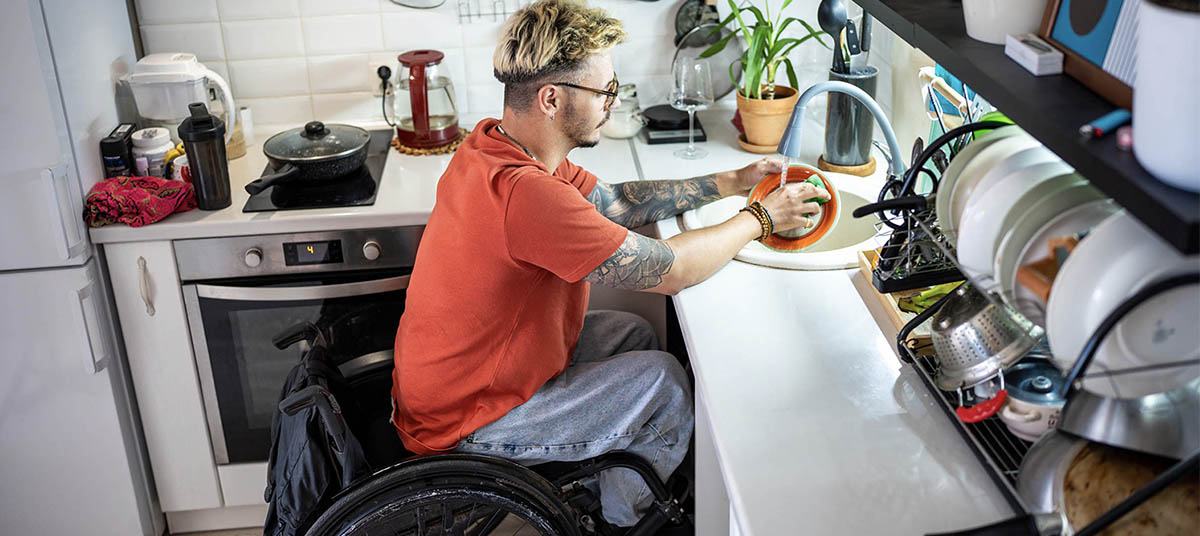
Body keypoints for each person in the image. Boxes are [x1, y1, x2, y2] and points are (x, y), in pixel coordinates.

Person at [390, 0, 829, 527]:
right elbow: (672, 270)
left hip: (462, 379)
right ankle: (620, 523)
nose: (612, 103)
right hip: (466, 422)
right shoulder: (527, 195)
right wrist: (762, 217)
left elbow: (617, 201)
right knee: (664, 385)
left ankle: (605, 486)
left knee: (633, 333)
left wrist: (731, 182)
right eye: (605, 91)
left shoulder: (495, 145)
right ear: (552, 99)